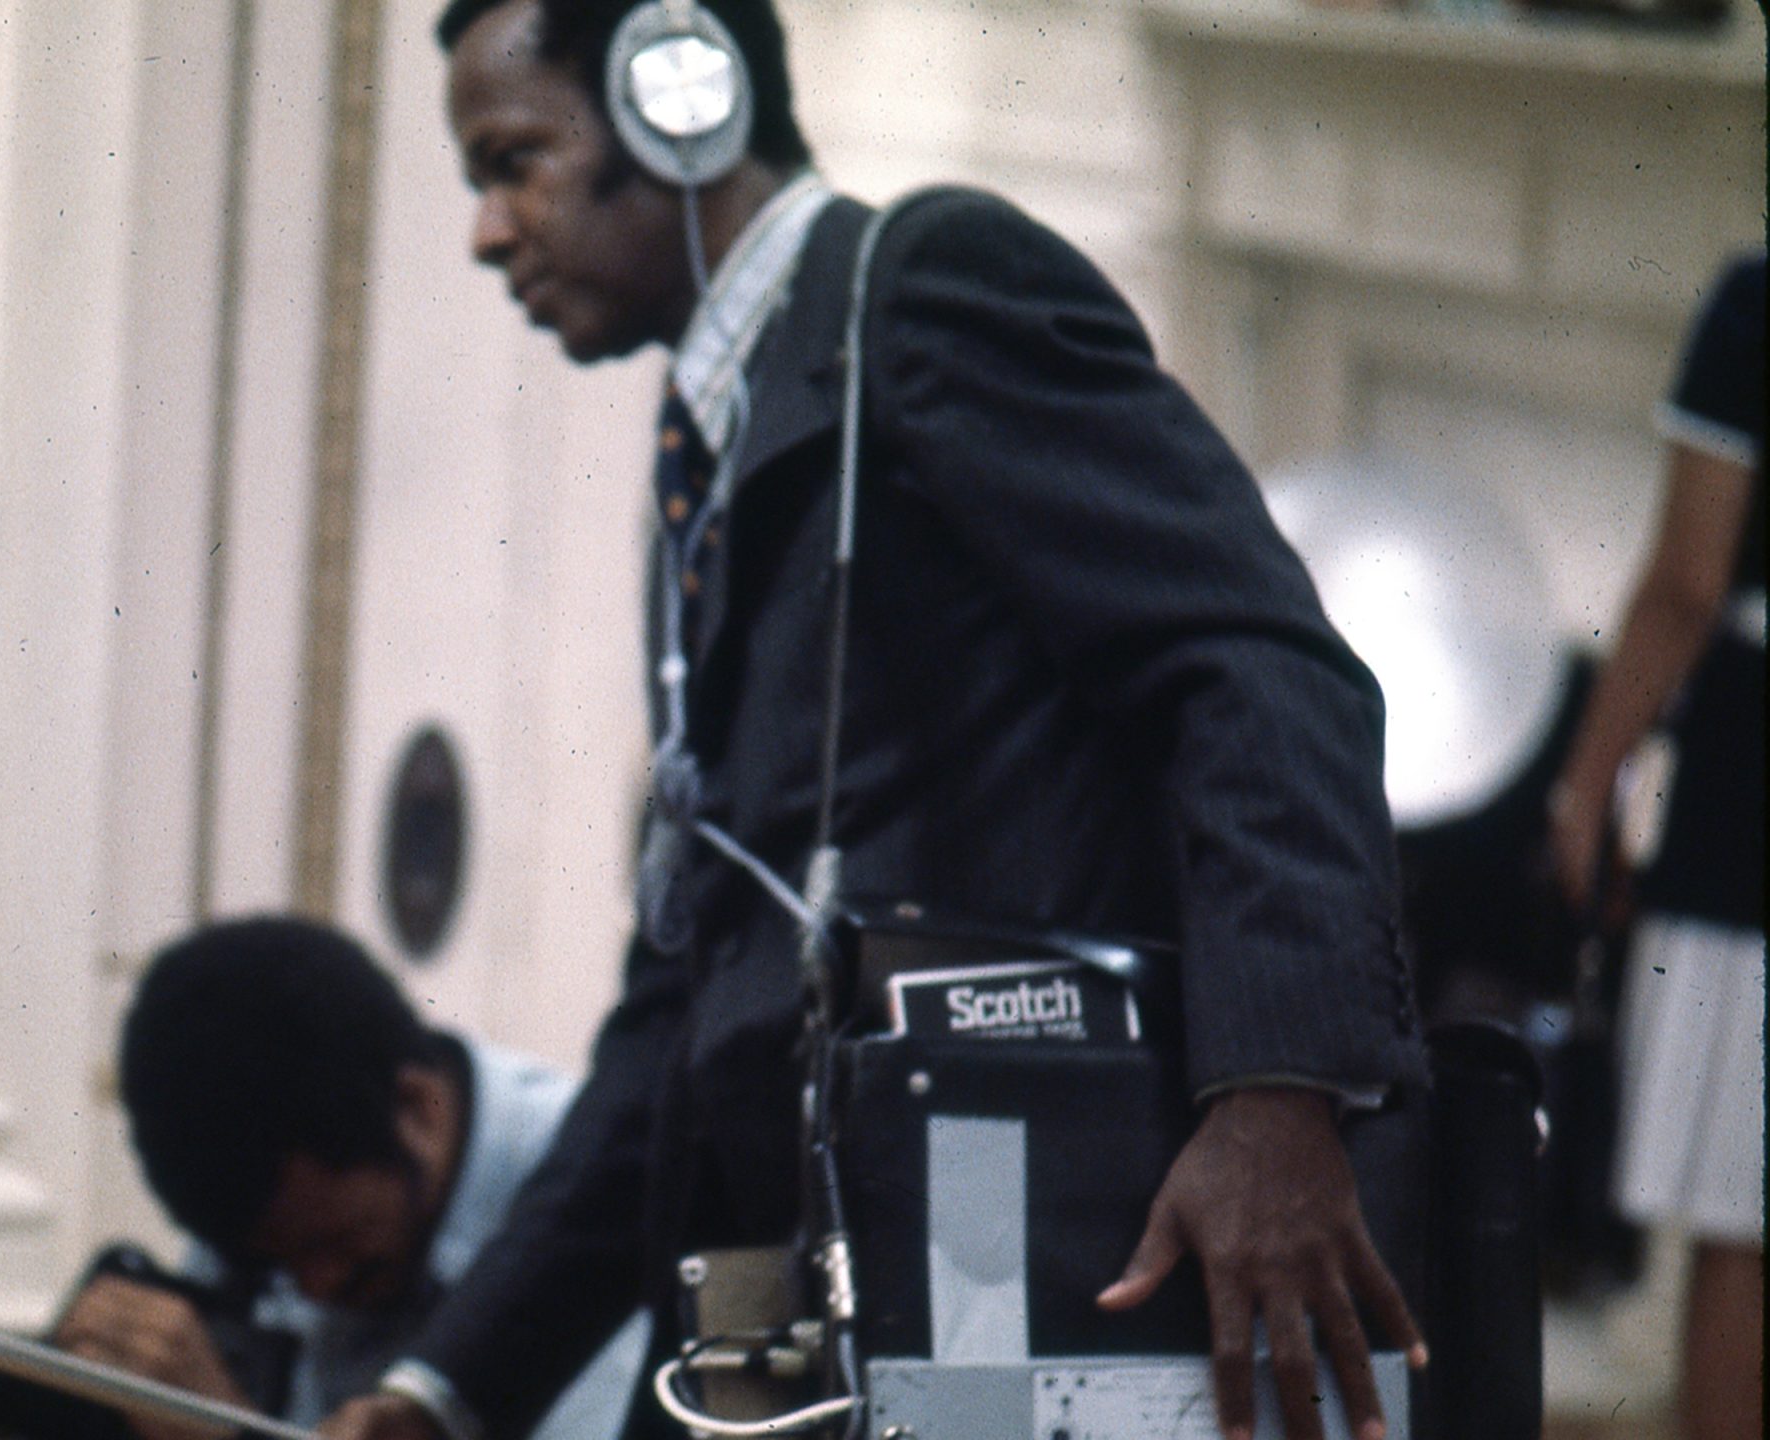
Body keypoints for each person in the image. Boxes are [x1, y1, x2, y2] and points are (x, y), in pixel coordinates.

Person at [322, 3, 1434, 1439]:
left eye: (512, 161)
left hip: (1001, 1242)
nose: (487, 231)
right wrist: (443, 1389)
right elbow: (688, 995)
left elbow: (1258, 665)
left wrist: (1278, 1099)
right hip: (793, 1291)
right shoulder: (711, 464)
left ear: (685, 106)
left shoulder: (925, 288)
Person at [50, 916, 646, 1440]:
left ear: (416, 1107)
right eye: (273, 1267)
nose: (313, 1287)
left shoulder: (599, 1205)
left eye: (331, 1242)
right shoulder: (263, 1193)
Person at [1545, 252, 1762, 1440]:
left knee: (1741, 1224)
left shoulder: (1753, 301)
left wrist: (1586, 783)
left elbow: (1685, 582)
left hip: (1751, 814)